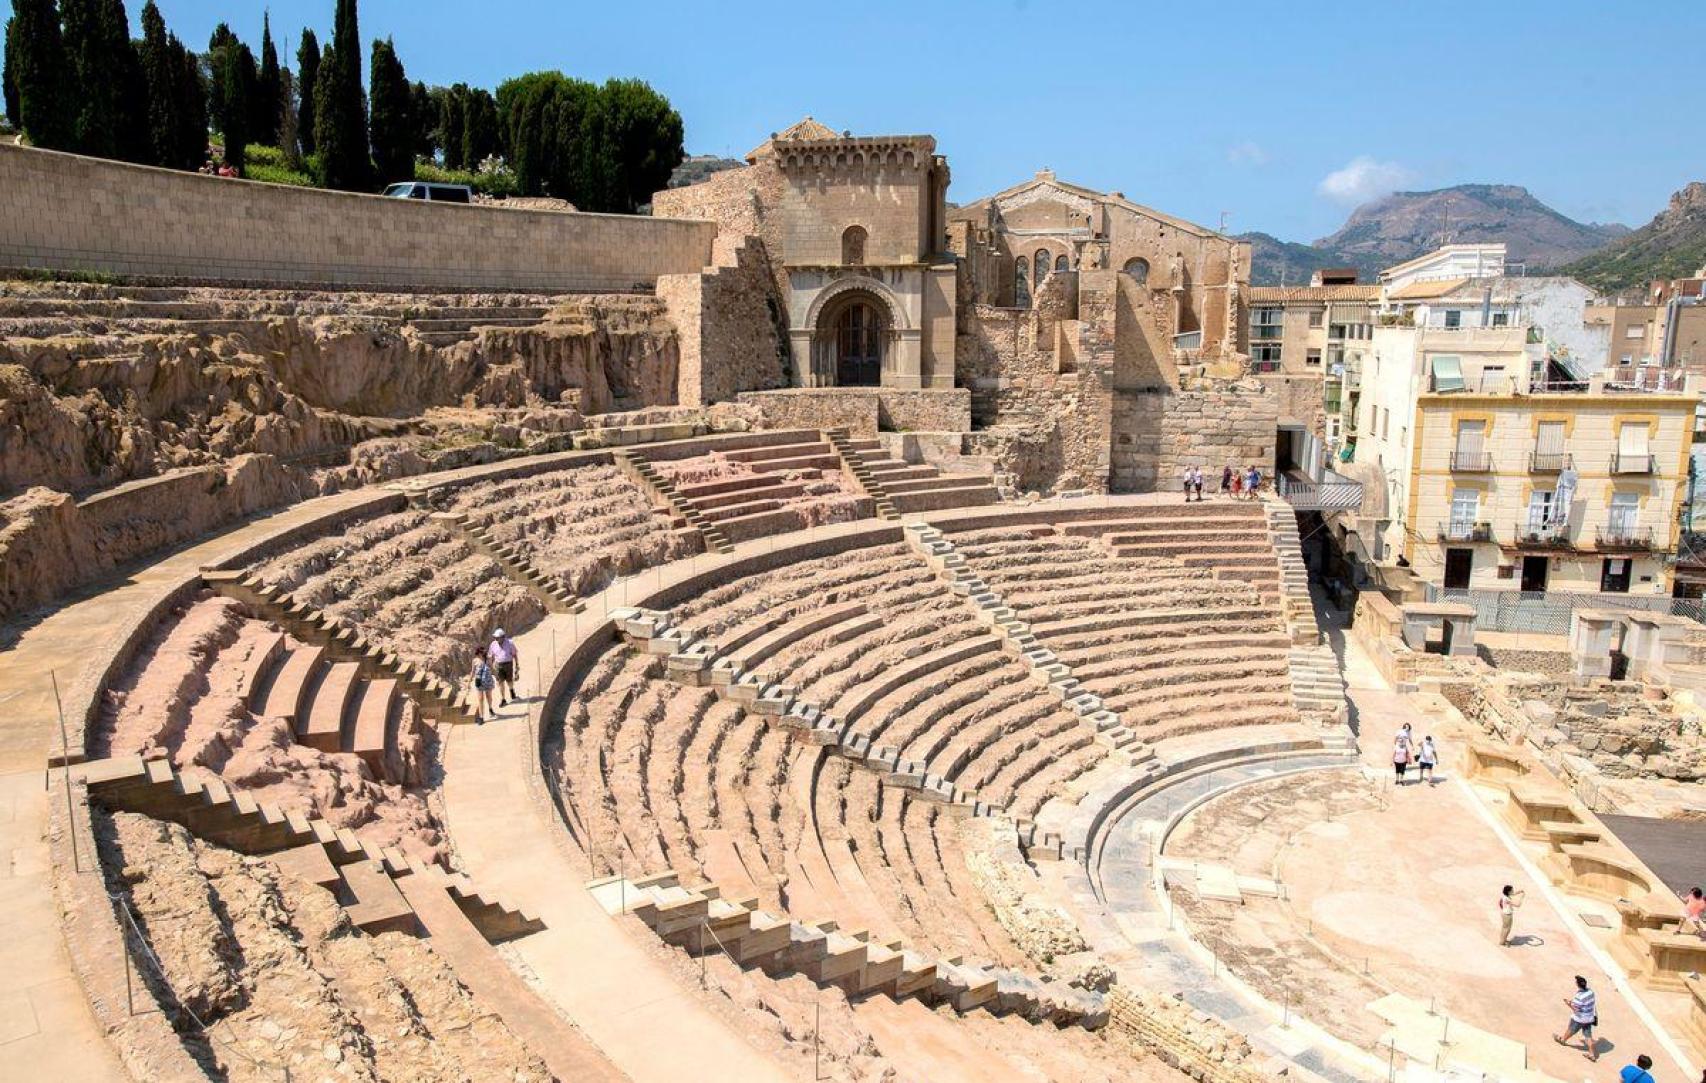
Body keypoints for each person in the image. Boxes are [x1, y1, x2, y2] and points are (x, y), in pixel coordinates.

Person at [1553, 975, 1598, 1061]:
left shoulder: (1579, 996)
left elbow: (1576, 1009)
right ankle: (1592, 1054)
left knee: (1571, 1029)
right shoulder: (1591, 992)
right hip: (1589, 1018)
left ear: (1578, 984)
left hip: (1580, 1018)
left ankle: (1562, 1040)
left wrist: (1568, 1003)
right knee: (1588, 1036)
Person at [487, 628, 521, 706]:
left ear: (503, 637)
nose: (496, 639)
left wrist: (517, 665)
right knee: (500, 682)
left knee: (509, 680)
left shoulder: (510, 643)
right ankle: (503, 699)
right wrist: (491, 668)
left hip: (508, 664)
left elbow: (514, 654)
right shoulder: (493, 644)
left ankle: (511, 691)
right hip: (498, 665)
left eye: (497, 637)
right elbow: (490, 656)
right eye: (495, 637)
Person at [470, 654, 495, 723]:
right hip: (479, 681)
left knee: (489, 697)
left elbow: (492, 669)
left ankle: (490, 708)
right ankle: (481, 717)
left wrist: (497, 677)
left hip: (488, 680)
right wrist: (469, 681)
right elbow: (473, 671)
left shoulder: (488, 659)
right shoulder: (475, 660)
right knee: (480, 699)